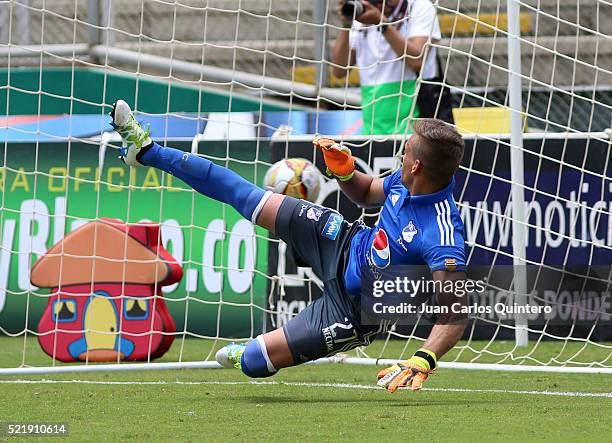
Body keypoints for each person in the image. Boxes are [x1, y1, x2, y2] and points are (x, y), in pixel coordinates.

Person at [110, 99, 468, 393]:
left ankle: (249, 352)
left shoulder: (442, 235)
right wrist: (344, 172)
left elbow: (455, 314)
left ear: (417, 165)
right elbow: (365, 193)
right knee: (248, 197)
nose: (401, 157)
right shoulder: (405, 182)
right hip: (342, 243)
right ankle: (145, 151)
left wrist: (423, 358)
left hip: (353, 313)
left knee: (255, 361)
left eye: (405, 153)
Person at [331, 0, 442, 135]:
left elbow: (416, 60)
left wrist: (381, 23)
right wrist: (346, 24)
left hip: (416, 127)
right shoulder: (363, 16)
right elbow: (339, 70)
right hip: (372, 127)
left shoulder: (419, 7)